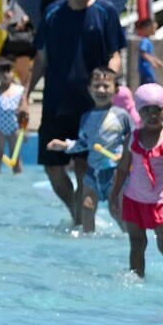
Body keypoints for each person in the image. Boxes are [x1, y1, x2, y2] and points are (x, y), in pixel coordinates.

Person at [18, 0, 126, 227]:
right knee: (52, 168)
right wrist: (25, 96)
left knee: (82, 168)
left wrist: (109, 79)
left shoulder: (106, 11)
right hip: (56, 103)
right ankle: (76, 212)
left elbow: (115, 54)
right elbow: (40, 59)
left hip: (91, 108)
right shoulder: (52, 13)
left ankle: (82, 220)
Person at [109, 84, 163, 279]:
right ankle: (137, 281)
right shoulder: (132, 137)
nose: (152, 115)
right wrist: (113, 196)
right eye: (146, 110)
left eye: (157, 110)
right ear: (138, 111)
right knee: (137, 245)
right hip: (134, 200)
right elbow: (121, 169)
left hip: (162, 202)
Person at [46, 67, 133, 233]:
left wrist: (124, 155)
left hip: (115, 173)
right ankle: (88, 241)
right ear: (89, 89)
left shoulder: (121, 115)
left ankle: (129, 238)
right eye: (97, 86)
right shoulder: (86, 116)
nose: (101, 90)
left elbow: (134, 140)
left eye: (106, 86)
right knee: (87, 207)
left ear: (115, 90)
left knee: (117, 212)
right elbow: (83, 142)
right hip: (93, 172)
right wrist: (64, 146)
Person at [0, 0, 36, 86]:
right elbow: (6, 20)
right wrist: (6, 18)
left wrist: (26, 19)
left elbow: (38, 13)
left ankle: (24, 95)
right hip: (13, 35)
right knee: (3, 64)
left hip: (26, 37)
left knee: (22, 69)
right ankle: (18, 92)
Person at [137, 18, 163, 85]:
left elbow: (150, 55)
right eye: (154, 28)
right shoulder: (145, 41)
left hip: (148, 70)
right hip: (146, 70)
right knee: (149, 88)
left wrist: (157, 61)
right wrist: (152, 62)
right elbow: (143, 53)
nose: (155, 30)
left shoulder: (147, 40)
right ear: (148, 28)